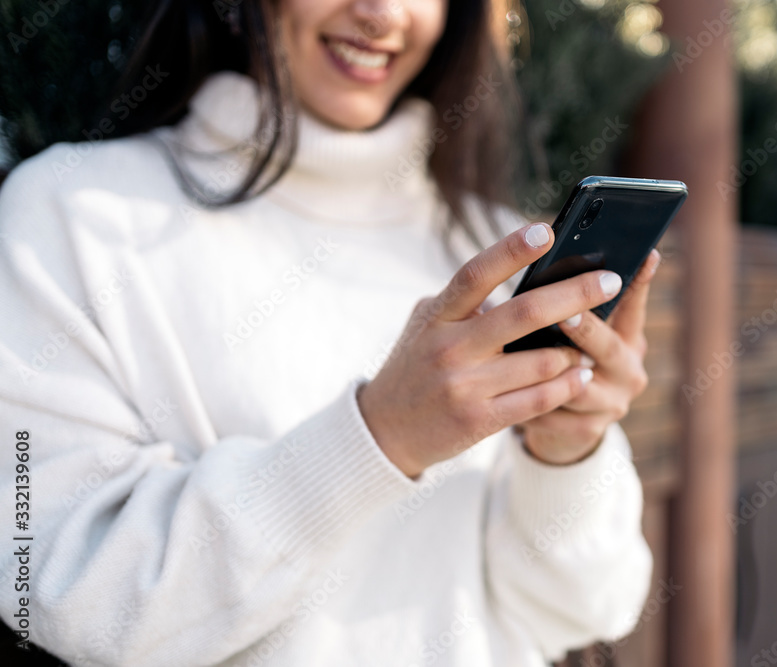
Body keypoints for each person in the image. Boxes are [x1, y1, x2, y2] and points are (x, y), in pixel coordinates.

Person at [0, 1, 656, 665]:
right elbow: (59, 594)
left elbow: (586, 607)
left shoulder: (496, 243)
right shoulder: (70, 212)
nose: (381, 14)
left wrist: (565, 452)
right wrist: (378, 437)